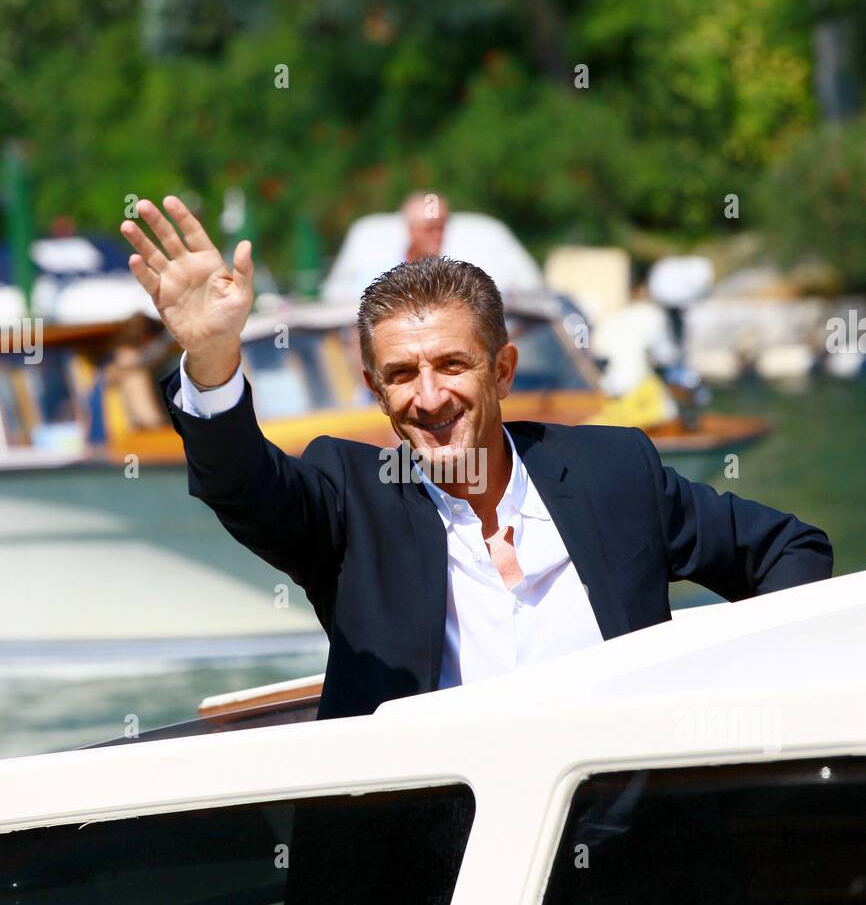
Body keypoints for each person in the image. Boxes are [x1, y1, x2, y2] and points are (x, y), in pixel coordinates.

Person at [120, 197, 834, 721]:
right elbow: (243, 485)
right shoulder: (349, 500)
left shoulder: (612, 470)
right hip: (428, 881)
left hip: (629, 868)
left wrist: (736, 707)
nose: (428, 397)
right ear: (374, 390)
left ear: (502, 371)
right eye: (401, 374)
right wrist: (212, 355)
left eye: (452, 365)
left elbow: (787, 550)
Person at [321, 191, 544, 301]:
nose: (439, 235)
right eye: (430, 228)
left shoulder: (462, 275)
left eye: (442, 227)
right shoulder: (374, 275)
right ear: (411, 230)